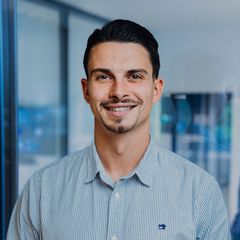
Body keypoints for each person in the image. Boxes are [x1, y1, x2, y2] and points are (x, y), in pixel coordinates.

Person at [7, 19, 231, 239]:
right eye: (104, 76)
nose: (118, 91)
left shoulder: (200, 192)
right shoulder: (41, 190)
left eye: (134, 76)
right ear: (86, 90)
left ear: (156, 89)